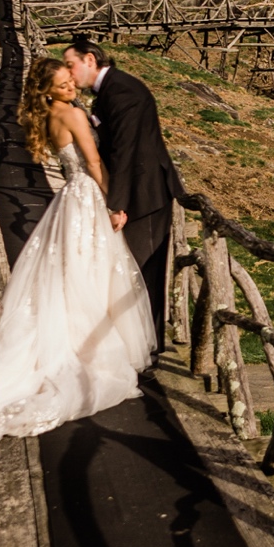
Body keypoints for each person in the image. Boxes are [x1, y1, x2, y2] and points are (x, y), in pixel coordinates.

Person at [0, 58, 157, 438]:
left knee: (70, 269)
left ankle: (70, 337)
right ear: (48, 90)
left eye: (70, 81)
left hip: (69, 197)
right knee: (90, 269)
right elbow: (93, 163)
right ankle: (84, 347)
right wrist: (114, 204)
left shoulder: (49, 115)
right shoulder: (74, 115)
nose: (71, 88)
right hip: (88, 195)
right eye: (62, 85)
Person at [62, 36, 178, 348]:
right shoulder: (109, 89)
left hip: (145, 194)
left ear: (89, 59)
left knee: (144, 272)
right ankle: (136, 343)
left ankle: (151, 348)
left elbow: (126, 151)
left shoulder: (122, 90)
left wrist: (116, 204)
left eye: (70, 65)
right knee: (129, 271)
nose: (68, 73)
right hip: (134, 190)